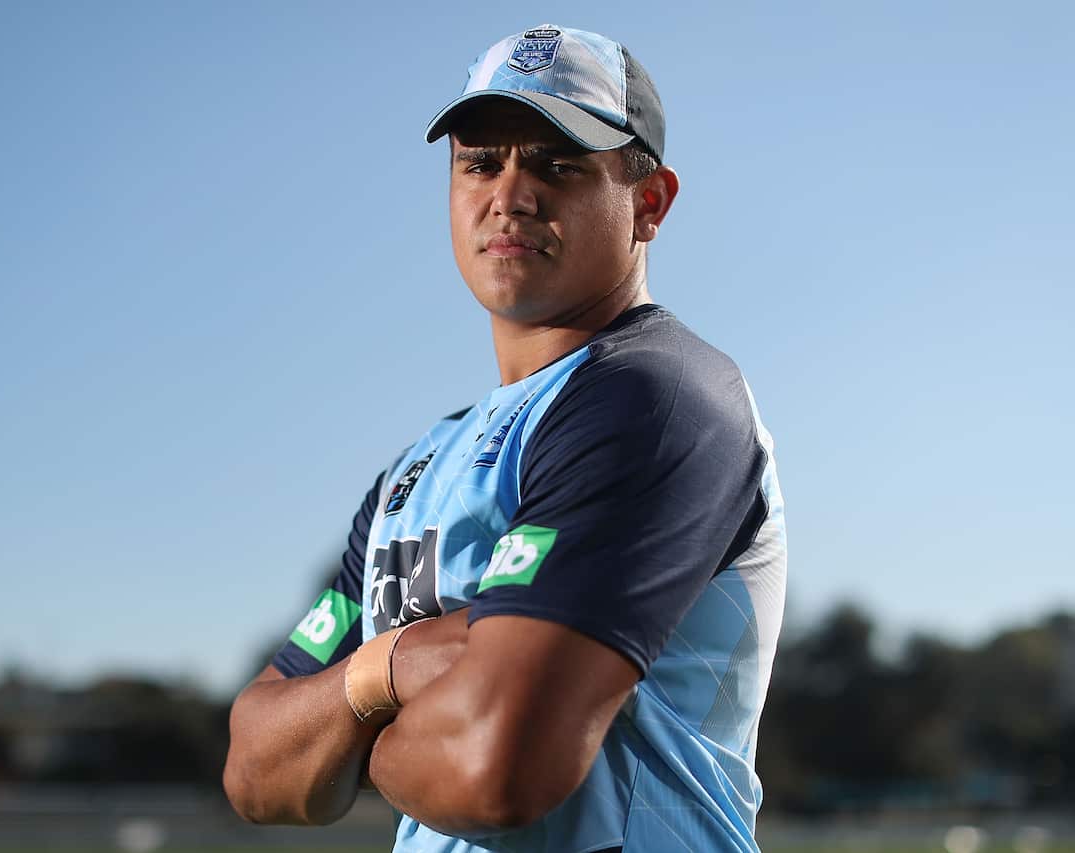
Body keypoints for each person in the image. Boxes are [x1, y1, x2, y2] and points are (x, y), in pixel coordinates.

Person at [223, 24, 787, 853]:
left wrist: (349, 733)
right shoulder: (413, 472)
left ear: (649, 202)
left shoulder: (658, 396)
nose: (510, 193)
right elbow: (254, 769)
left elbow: (497, 765)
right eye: (480, 162)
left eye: (557, 165)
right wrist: (390, 669)